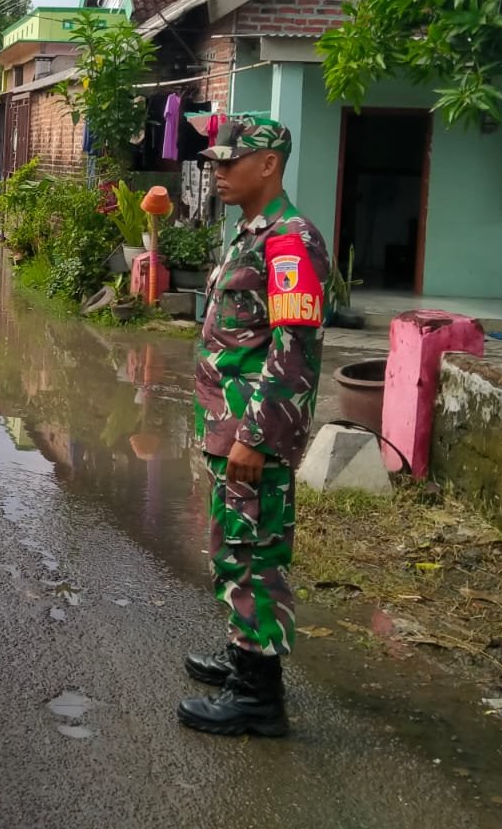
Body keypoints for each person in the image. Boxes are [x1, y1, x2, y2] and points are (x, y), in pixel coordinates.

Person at [180, 113, 330, 738]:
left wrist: (256, 436)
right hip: (229, 424)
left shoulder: (290, 242)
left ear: (268, 164)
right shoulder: (250, 234)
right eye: (214, 160)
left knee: (254, 552)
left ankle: (259, 697)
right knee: (234, 544)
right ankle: (244, 652)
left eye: (229, 160)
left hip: (252, 430)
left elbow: (294, 347)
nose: (217, 170)